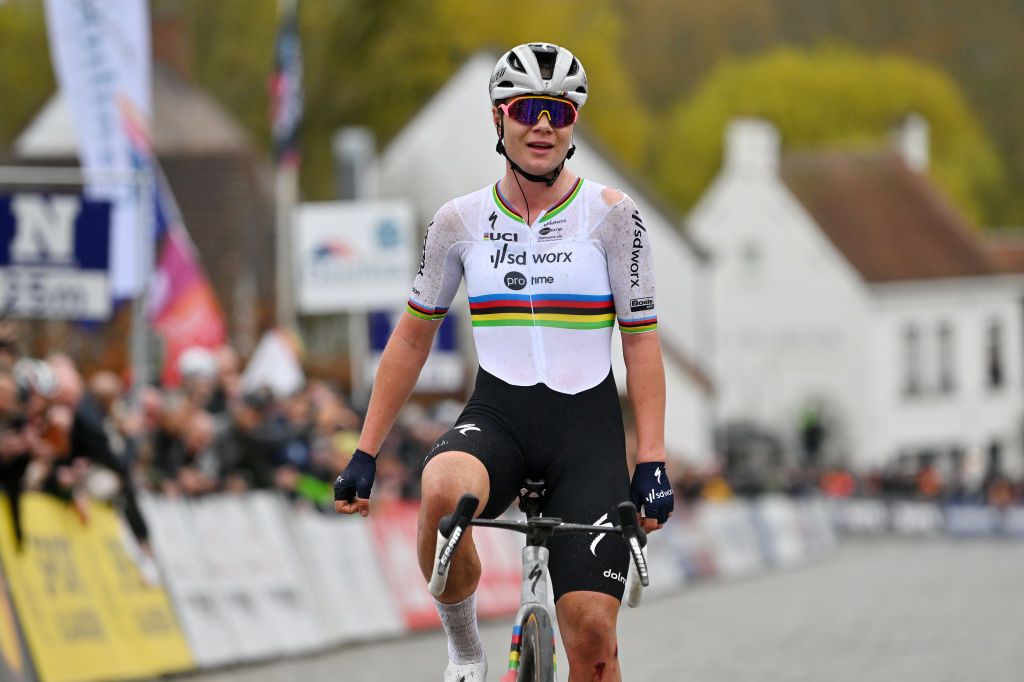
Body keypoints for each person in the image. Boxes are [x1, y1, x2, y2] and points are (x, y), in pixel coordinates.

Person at [334, 42, 673, 681]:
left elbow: (641, 342)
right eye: (526, 109)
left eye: (559, 112)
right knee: (440, 490)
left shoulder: (612, 217)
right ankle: (466, 653)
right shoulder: (457, 222)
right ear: (498, 119)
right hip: (501, 417)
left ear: (573, 123)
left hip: (588, 434)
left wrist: (651, 457)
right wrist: (366, 450)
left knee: (594, 638)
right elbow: (410, 340)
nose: (542, 125)